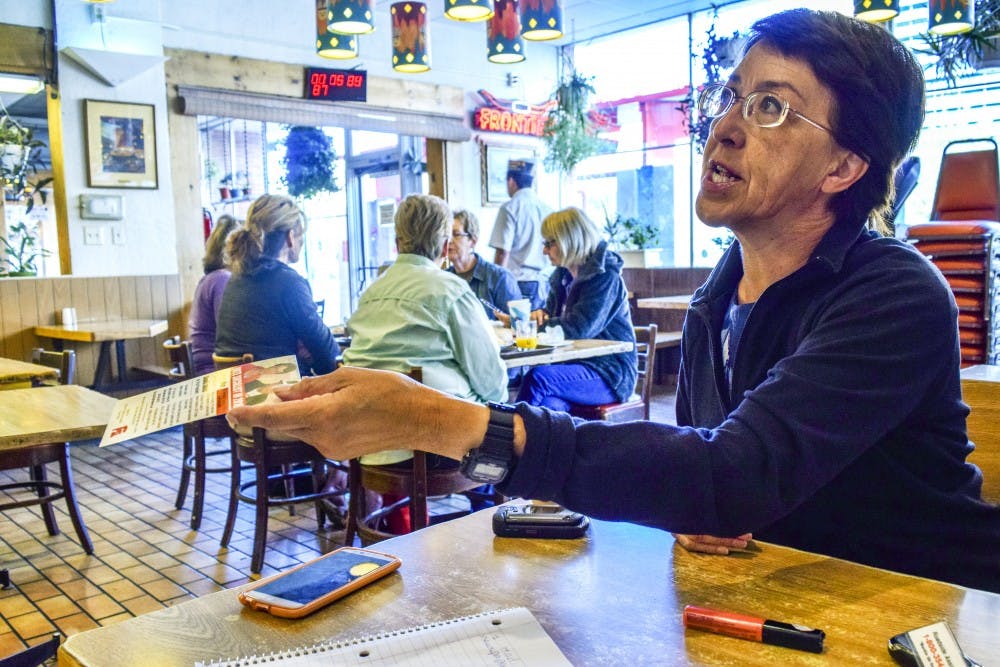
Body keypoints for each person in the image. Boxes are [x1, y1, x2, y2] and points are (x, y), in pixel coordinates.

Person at [229, 9, 1000, 593]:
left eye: (771, 108)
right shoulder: (716, 301)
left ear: (845, 166)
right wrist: (705, 505)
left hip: (928, 614)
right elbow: (715, 496)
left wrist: (430, 416)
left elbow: (728, 476)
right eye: (732, 95)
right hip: (788, 604)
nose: (726, 125)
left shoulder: (895, 292)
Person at [343, 194, 508, 530]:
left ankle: (403, 527)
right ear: (445, 244)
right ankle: (490, 525)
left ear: (397, 240)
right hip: (432, 447)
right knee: (500, 421)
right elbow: (492, 382)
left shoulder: (370, 293)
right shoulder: (450, 291)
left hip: (369, 444)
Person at [513, 207, 636, 412]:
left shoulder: (605, 276)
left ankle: (505, 440)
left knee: (538, 379)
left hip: (608, 371)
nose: (544, 251)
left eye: (549, 243)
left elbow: (579, 328)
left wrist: (535, 325)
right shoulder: (561, 277)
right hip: (570, 367)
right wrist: (540, 315)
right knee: (547, 407)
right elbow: (553, 319)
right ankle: (526, 442)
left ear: (570, 240)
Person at [215, 194, 339, 376]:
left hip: (231, 395)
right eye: (300, 235)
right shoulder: (289, 283)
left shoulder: (235, 280)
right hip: (278, 397)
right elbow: (329, 358)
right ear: (290, 237)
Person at [489, 159, 552, 310]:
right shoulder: (547, 208)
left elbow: (502, 252)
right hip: (544, 281)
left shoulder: (510, 208)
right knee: (538, 329)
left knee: (517, 330)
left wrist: (494, 284)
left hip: (519, 282)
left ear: (511, 181)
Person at [188, 214, 241, 375]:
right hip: (212, 369)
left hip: (207, 364)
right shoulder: (222, 280)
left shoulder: (210, 279)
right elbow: (228, 331)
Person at [447, 209, 522, 321]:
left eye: (456, 234)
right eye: (446, 235)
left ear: (472, 241)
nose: (449, 241)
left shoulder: (500, 278)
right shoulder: (444, 278)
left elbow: (519, 324)